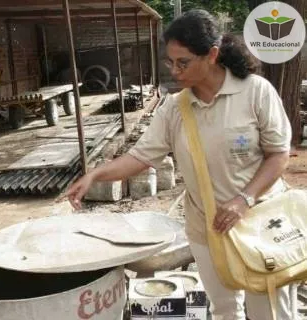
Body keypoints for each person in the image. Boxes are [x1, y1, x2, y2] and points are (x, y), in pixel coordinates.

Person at [66, 10, 294, 320]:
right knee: (226, 310)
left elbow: (279, 154)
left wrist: (244, 199)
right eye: (170, 62)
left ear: (212, 55)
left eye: (183, 63)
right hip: (208, 229)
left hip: (259, 222)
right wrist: (96, 174)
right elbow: (142, 156)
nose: (175, 71)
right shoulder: (175, 108)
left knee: (268, 310)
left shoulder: (255, 91)